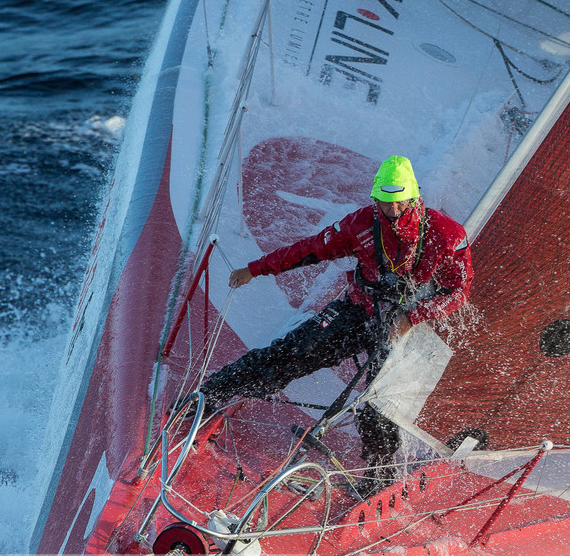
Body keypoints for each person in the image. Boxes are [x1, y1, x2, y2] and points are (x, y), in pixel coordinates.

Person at [199, 155, 472, 490]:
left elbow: (458, 292)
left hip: (404, 324)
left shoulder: (447, 235)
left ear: (415, 196)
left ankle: (378, 478)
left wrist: (412, 316)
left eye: (400, 203)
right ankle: (208, 395)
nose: (394, 211)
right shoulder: (359, 224)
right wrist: (255, 269)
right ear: (376, 199)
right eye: (386, 203)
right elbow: (310, 249)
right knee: (294, 351)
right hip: (359, 309)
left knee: (378, 405)